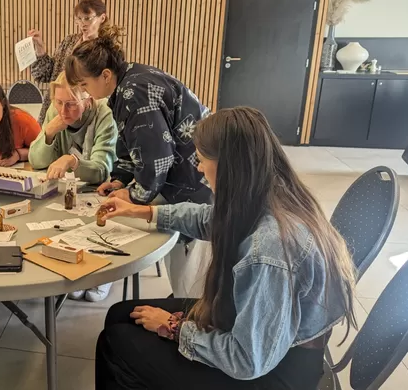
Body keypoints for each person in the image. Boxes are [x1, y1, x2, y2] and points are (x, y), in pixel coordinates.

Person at [94, 107, 358, 389]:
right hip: (270, 340)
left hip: (276, 371)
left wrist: (175, 328)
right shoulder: (271, 190)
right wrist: (141, 211)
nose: (197, 167)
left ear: (229, 166)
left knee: (115, 343)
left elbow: (245, 360)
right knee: (120, 315)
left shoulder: (268, 249)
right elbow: (210, 219)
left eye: (203, 159)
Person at [65, 25, 213, 298]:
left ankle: (187, 314)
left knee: (188, 272)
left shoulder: (135, 92)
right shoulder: (128, 80)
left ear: (105, 75)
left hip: (194, 181)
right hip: (186, 173)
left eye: (85, 84)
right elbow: (131, 142)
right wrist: (120, 178)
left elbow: (157, 159)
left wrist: (133, 196)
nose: (84, 92)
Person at [28, 71, 118, 302]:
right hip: (66, 194)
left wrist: (71, 161)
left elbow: (101, 171)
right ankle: (75, 265)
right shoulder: (54, 113)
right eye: (58, 102)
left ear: (88, 101)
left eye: (71, 104)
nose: (63, 111)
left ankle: (103, 273)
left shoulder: (104, 114)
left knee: (102, 218)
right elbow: (37, 162)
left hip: (101, 191)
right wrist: (48, 132)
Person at [29, 0, 109, 124]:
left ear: (102, 18)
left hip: (86, 115)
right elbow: (45, 75)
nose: (83, 23)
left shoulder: (107, 50)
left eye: (88, 18)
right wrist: (40, 49)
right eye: (79, 19)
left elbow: (107, 89)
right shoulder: (69, 42)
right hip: (55, 109)